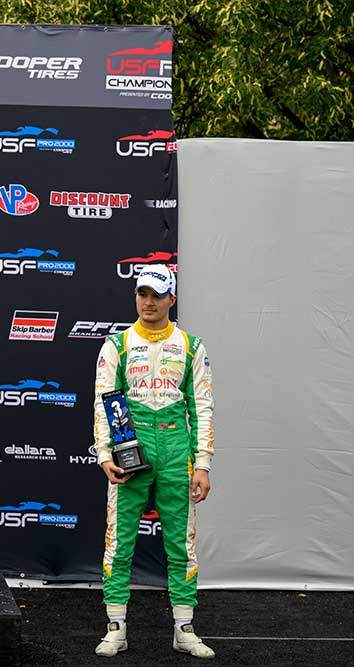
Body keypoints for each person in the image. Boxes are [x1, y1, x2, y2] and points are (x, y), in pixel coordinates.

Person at [92, 264, 216, 659]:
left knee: (182, 544)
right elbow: (105, 402)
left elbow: (202, 407)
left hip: (177, 448)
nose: (149, 302)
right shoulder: (117, 345)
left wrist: (202, 463)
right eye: (142, 294)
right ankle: (116, 627)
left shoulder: (192, 346)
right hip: (132, 443)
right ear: (135, 296)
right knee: (119, 542)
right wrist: (105, 453)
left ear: (171, 299)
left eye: (157, 295)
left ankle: (184, 628)